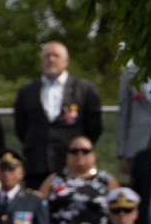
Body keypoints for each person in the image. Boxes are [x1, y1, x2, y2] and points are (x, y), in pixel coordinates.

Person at [12, 41, 104, 187]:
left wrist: (79, 150)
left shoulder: (85, 89)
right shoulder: (26, 91)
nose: (51, 59)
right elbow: (20, 127)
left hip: (72, 165)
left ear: (66, 61)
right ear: (41, 61)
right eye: (47, 56)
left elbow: (94, 127)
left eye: (56, 55)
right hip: (37, 165)